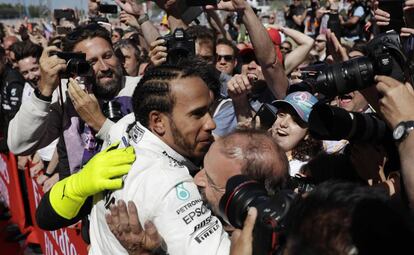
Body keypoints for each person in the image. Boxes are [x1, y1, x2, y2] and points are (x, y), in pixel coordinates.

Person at [7, 23, 140, 175]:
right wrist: (44, 92)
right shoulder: (68, 96)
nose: (104, 67)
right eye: (92, 62)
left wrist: (100, 124)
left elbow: (152, 155)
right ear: (76, 67)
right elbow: (19, 144)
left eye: (107, 56)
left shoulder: (141, 90)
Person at [269, 91, 322, 176]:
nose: (283, 124)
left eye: (296, 121)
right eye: (281, 114)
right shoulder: (253, 149)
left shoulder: (302, 170)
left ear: (307, 134)